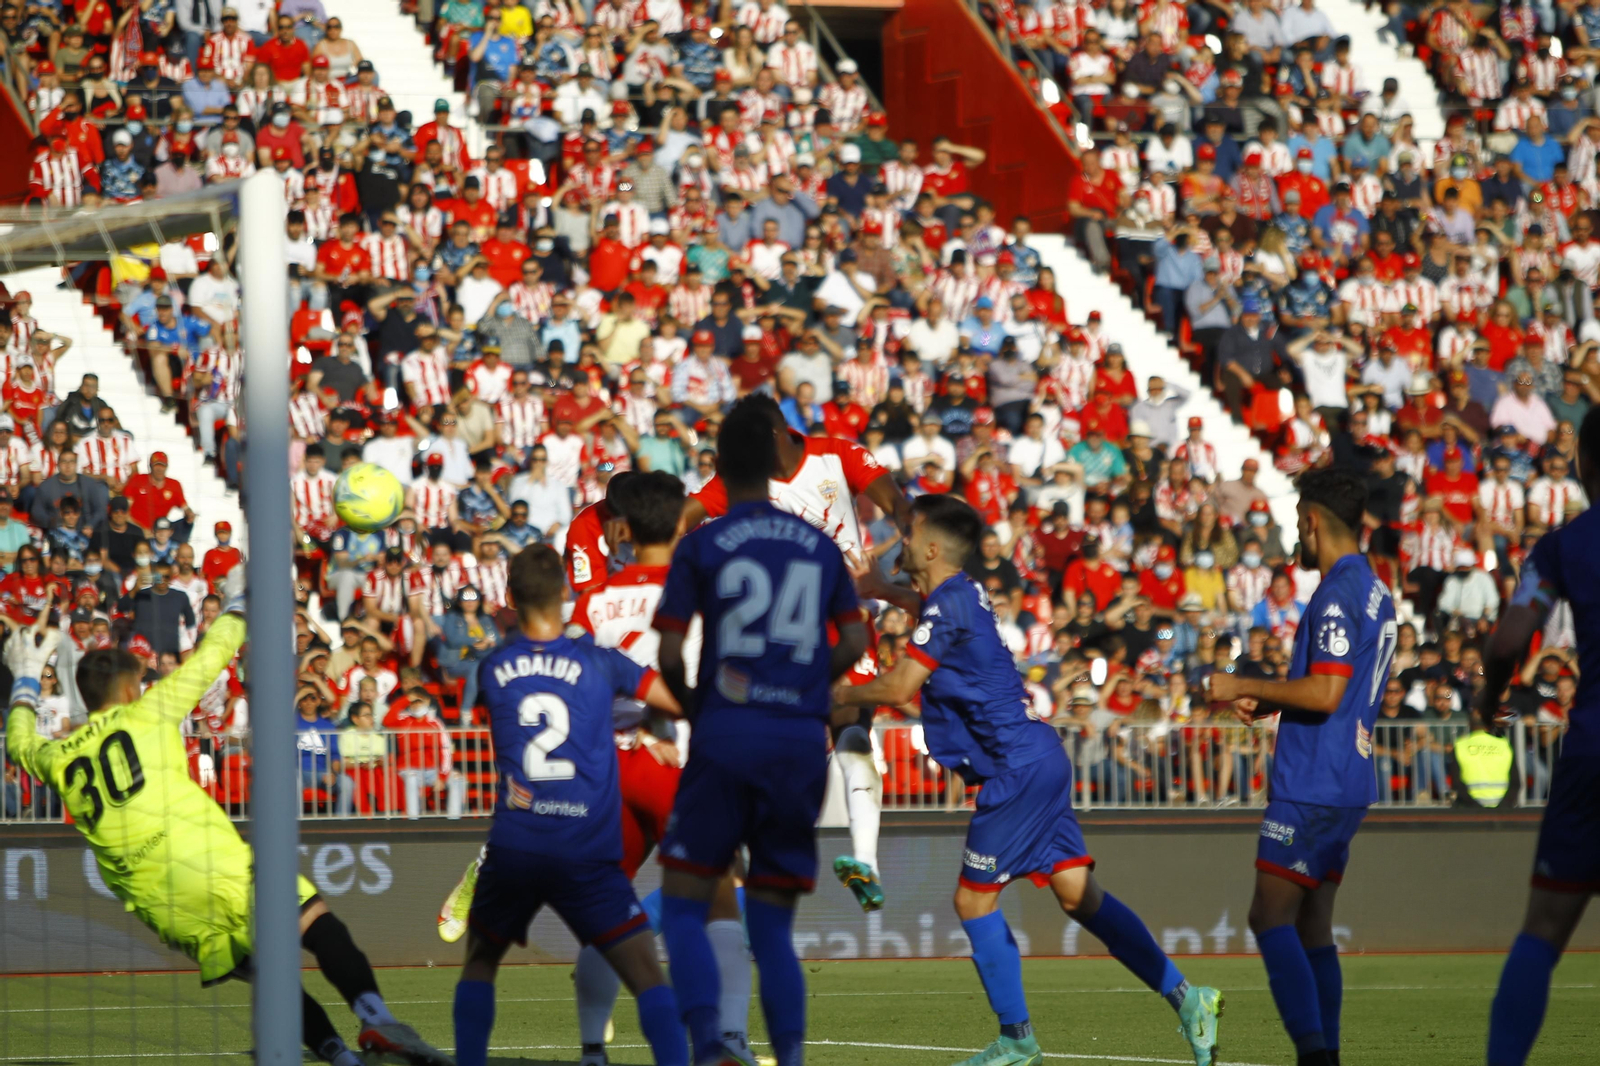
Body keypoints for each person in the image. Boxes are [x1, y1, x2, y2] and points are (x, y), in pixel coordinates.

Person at [833, 494, 1223, 1066]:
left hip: (1015, 771)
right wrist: (882, 591)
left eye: (909, 534)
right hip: (1038, 758)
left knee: (972, 901)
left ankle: (1017, 1040)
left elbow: (896, 689)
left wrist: (836, 694)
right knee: (1077, 895)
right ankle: (1189, 999)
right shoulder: (959, 594)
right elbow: (927, 608)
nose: (901, 542)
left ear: (933, 548)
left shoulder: (949, 603)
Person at [2, 575, 448, 1066]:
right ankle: (377, 1020)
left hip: (162, 903)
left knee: (272, 980)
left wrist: (25, 678)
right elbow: (214, 652)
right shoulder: (150, 710)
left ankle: (341, 1059)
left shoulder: (59, 756)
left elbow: (21, 745)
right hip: (216, 865)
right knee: (319, 927)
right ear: (130, 687)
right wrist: (241, 598)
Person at [653, 399, 867, 1066]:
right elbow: (856, 638)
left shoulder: (705, 543)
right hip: (797, 744)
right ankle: (792, 1057)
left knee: (685, 903)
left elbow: (666, 650)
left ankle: (711, 1044)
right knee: (773, 930)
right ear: (777, 461)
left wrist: (694, 703)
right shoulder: (823, 546)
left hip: (726, 735)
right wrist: (804, 682)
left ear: (718, 464)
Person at [451, 544, 689, 1066]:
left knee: (480, 963)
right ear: (566, 592)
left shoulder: (492, 669)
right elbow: (675, 699)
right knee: (648, 975)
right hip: (585, 850)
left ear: (509, 598)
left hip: (515, 845)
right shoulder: (601, 663)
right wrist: (652, 722)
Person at [679, 393, 912, 910]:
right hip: (789, 635)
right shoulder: (744, 479)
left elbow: (896, 501)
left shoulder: (837, 455)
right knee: (821, 742)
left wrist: (905, 540)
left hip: (843, 620)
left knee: (852, 732)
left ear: (776, 434)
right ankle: (752, 856)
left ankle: (864, 864)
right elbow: (686, 514)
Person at [1208, 468, 1397, 1066]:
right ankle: (1327, 1055)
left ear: (1312, 522)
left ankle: (1314, 1057)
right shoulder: (1375, 589)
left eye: (1297, 525)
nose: (1297, 536)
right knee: (1314, 925)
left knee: (1268, 916)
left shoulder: (1339, 592)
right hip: (1348, 779)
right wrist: (1270, 698)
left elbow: (1326, 694)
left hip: (1315, 779)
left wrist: (1240, 682)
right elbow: (1329, 689)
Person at [1479, 407, 1600, 1066]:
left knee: (1542, 934)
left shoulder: (1561, 545)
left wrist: (1488, 701)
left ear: (1585, 463)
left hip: (1588, 757)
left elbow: (1505, 641)